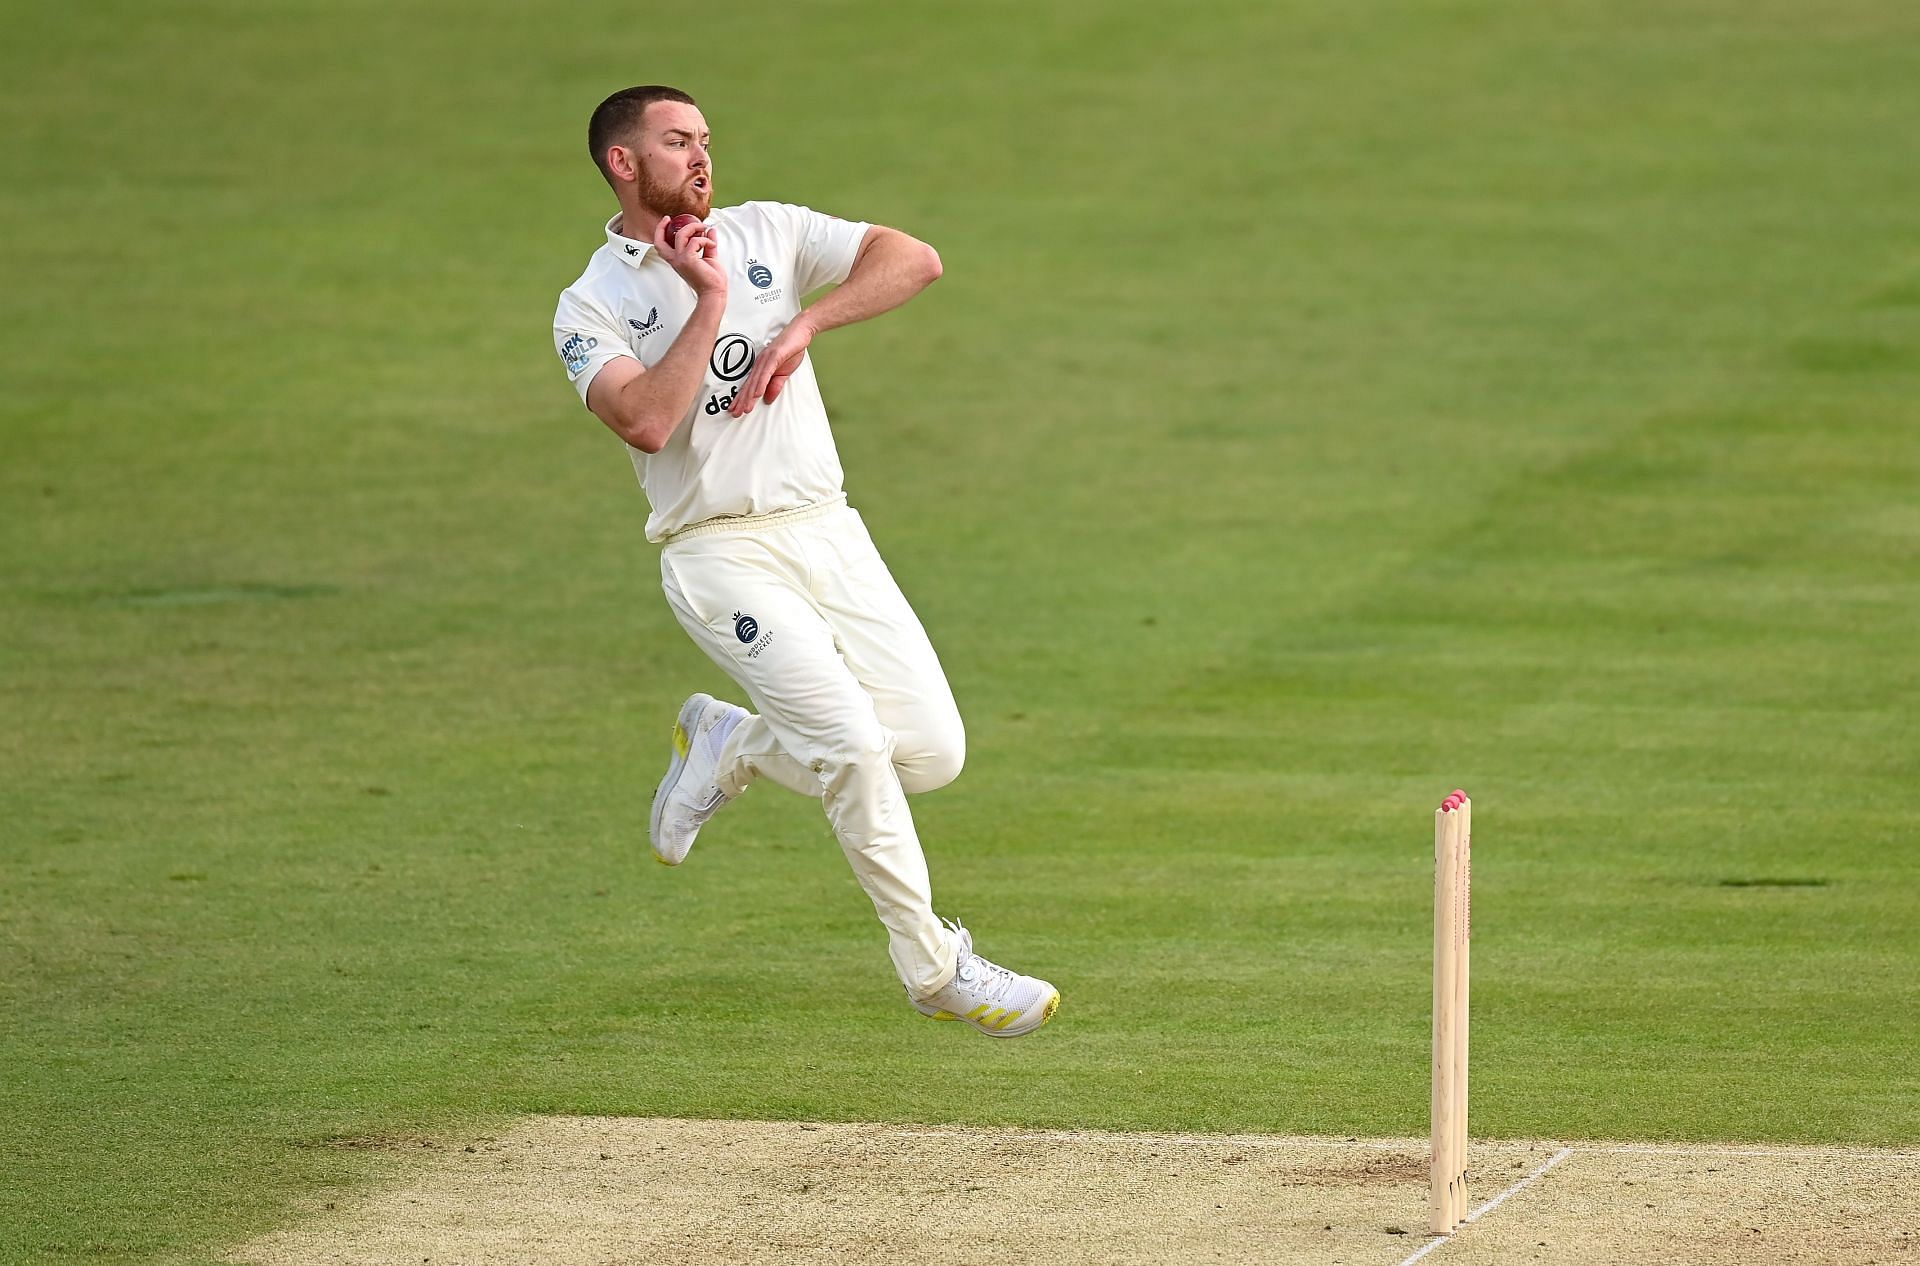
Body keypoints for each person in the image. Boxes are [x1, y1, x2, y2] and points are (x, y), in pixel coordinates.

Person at [551, 86, 1059, 1038]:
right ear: (623, 164)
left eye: (705, 140)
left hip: (828, 527)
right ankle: (936, 968)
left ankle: (732, 744)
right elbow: (649, 421)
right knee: (856, 749)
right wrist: (710, 300)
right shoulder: (591, 305)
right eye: (676, 143)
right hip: (718, 552)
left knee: (930, 753)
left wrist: (807, 324)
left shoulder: (766, 231)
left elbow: (914, 258)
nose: (701, 158)